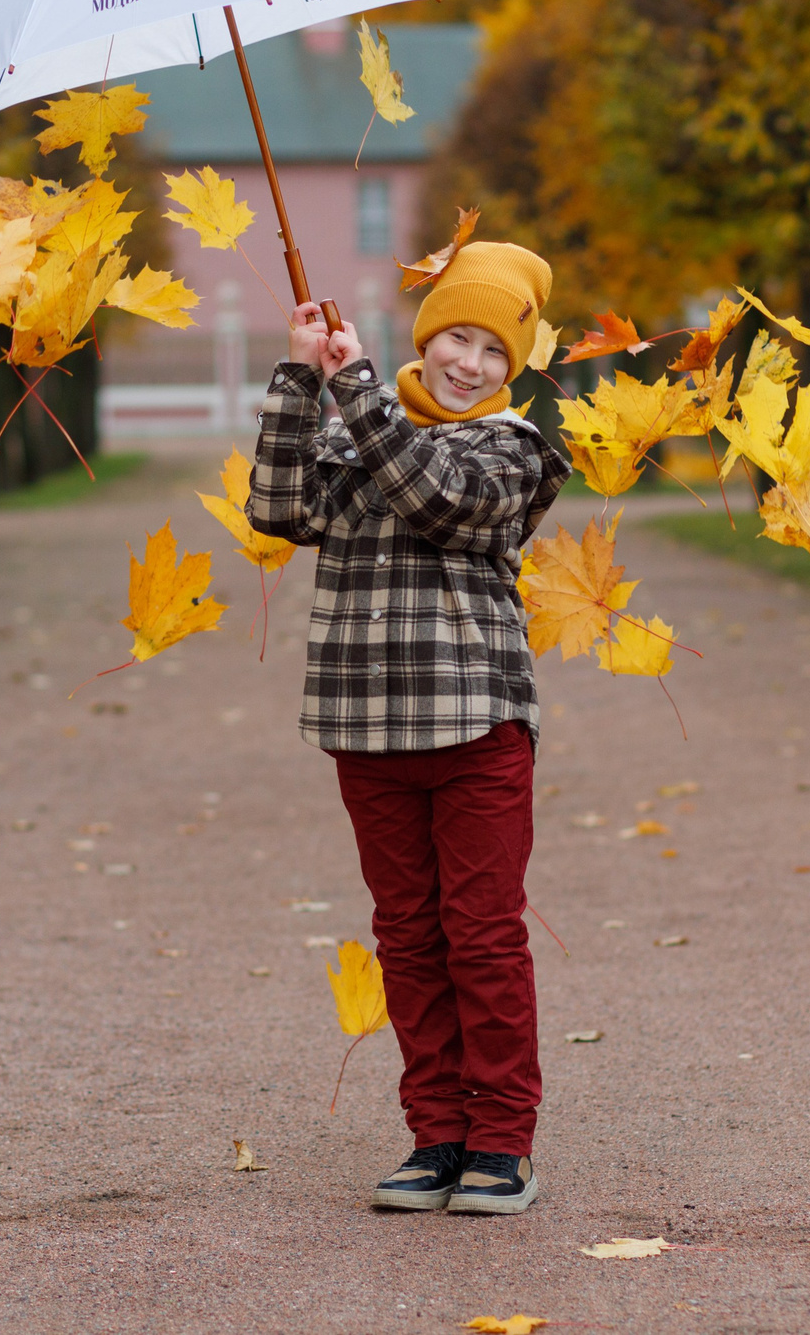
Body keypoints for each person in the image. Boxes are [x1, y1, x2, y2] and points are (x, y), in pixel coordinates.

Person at [246, 242, 571, 1215]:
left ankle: (501, 1141)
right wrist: (303, 376)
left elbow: (435, 499)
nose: (466, 363)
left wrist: (359, 390)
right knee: (408, 938)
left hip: (475, 727)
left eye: (489, 352)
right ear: (426, 340)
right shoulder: (357, 427)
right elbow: (276, 509)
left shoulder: (514, 449)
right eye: (453, 339)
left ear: (509, 371)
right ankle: (434, 1135)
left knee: (479, 935)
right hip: (367, 727)